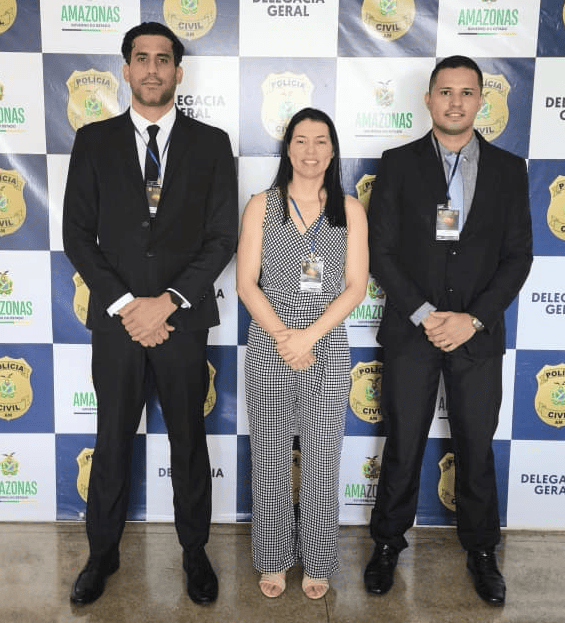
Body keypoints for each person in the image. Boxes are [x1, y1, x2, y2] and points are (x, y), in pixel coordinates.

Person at [62, 22, 237, 606]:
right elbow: (77, 235)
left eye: (164, 59)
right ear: (126, 69)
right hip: (117, 325)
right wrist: (126, 305)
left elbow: (222, 237)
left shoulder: (211, 144)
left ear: (179, 72)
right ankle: (101, 554)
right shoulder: (93, 141)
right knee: (112, 439)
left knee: (189, 440)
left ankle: (195, 553)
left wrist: (166, 302)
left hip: (182, 322)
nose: (153, 69)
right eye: (142, 58)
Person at [363, 56, 533, 606]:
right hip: (412, 332)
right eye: (445, 91)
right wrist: (424, 314)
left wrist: (472, 318)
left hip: (477, 335)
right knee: (403, 443)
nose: (455, 102)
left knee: (475, 448)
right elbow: (380, 250)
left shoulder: (509, 169)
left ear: (481, 99)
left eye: (466, 92)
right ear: (429, 99)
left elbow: (518, 256)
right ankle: (386, 544)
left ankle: (482, 552)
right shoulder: (397, 163)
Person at [237, 108, 369, 600]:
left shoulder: (350, 210)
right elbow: (246, 283)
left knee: (322, 457)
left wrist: (308, 336)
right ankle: (272, 557)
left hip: (326, 341)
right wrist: (283, 335)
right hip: (270, 341)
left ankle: (318, 559)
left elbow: (355, 287)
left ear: (332, 151)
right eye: (300, 140)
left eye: (320, 141)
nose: (310, 151)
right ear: (287, 148)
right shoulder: (261, 205)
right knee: (270, 454)